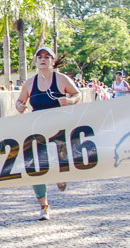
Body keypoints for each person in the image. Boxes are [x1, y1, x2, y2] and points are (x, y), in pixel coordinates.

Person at [15, 46, 82, 221]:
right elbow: (20, 101)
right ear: (36, 61)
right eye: (40, 57)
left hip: (59, 128)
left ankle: (61, 174)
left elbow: (77, 94)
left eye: (47, 56)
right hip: (36, 129)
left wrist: (70, 100)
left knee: (61, 160)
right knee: (34, 165)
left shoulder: (61, 79)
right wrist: (20, 106)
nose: (43, 59)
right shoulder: (30, 83)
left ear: (53, 61)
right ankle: (44, 206)